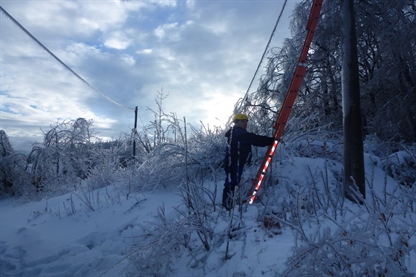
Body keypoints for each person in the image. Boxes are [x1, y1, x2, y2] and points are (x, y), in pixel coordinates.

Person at [222, 113, 275, 210]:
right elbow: (253, 139)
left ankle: (228, 205)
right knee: (231, 183)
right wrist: (269, 141)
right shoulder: (238, 133)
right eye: (243, 121)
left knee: (233, 182)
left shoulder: (237, 132)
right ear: (237, 122)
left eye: (246, 121)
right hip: (233, 163)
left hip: (236, 162)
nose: (245, 123)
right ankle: (227, 206)